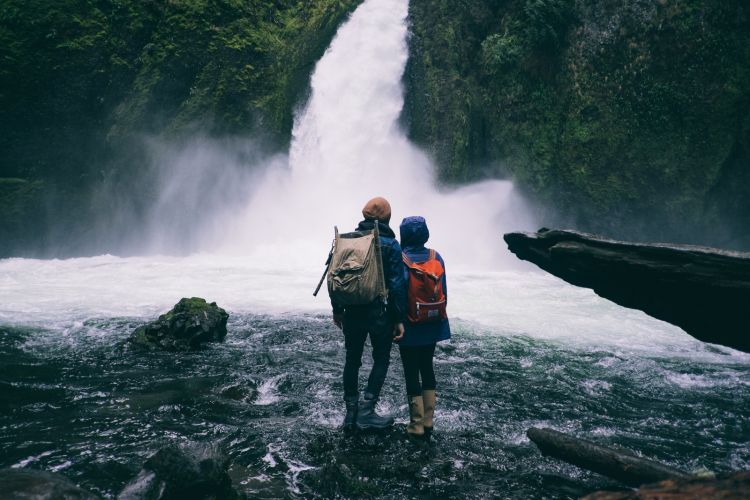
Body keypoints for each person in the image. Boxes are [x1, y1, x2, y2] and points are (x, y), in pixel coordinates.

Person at [332, 197, 407, 430]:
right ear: (387, 218)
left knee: (352, 360)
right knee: (381, 358)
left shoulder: (347, 240)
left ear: (364, 216)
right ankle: (367, 410)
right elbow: (396, 286)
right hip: (379, 313)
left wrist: (337, 310)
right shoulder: (391, 244)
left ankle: (350, 413)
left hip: (352, 310)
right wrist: (398, 319)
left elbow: (335, 276)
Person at [398, 216, 451, 439]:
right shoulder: (435, 256)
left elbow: (398, 294)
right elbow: (444, 290)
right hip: (432, 322)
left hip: (410, 324)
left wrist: (397, 321)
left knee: (411, 370)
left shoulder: (401, 259)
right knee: (427, 367)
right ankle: (429, 421)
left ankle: (416, 424)